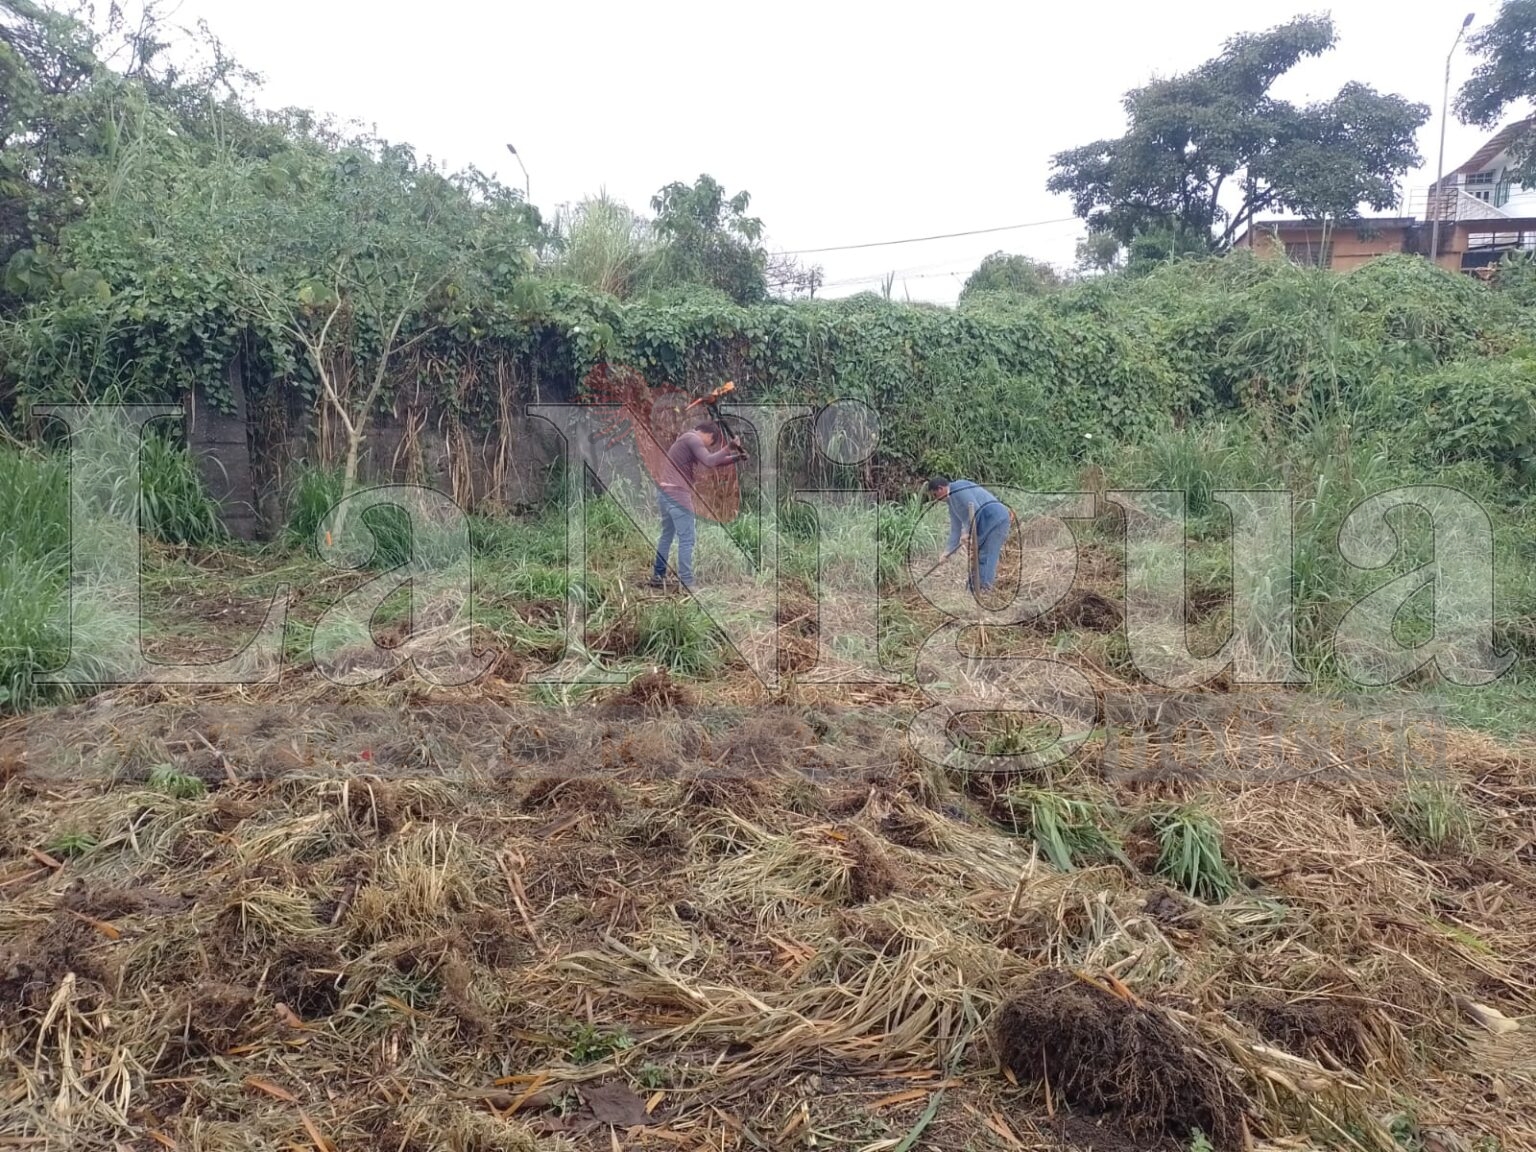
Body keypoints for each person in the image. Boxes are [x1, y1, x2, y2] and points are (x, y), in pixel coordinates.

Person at [650, 420, 743, 590]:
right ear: (708, 435)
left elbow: (713, 461)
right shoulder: (693, 439)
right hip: (678, 493)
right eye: (710, 443)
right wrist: (729, 447)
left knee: (667, 535)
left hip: (665, 493)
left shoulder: (684, 440)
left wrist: (735, 458)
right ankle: (686, 582)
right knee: (687, 539)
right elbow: (709, 460)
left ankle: (658, 576)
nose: (707, 446)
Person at [927, 475, 1011, 592]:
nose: (936, 499)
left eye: (935, 495)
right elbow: (955, 530)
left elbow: (975, 508)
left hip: (996, 520)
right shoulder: (951, 503)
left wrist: (967, 531)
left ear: (940, 488)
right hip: (984, 526)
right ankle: (973, 590)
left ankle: (984, 591)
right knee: (979, 557)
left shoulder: (958, 488)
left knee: (986, 556)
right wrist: (947, 552)